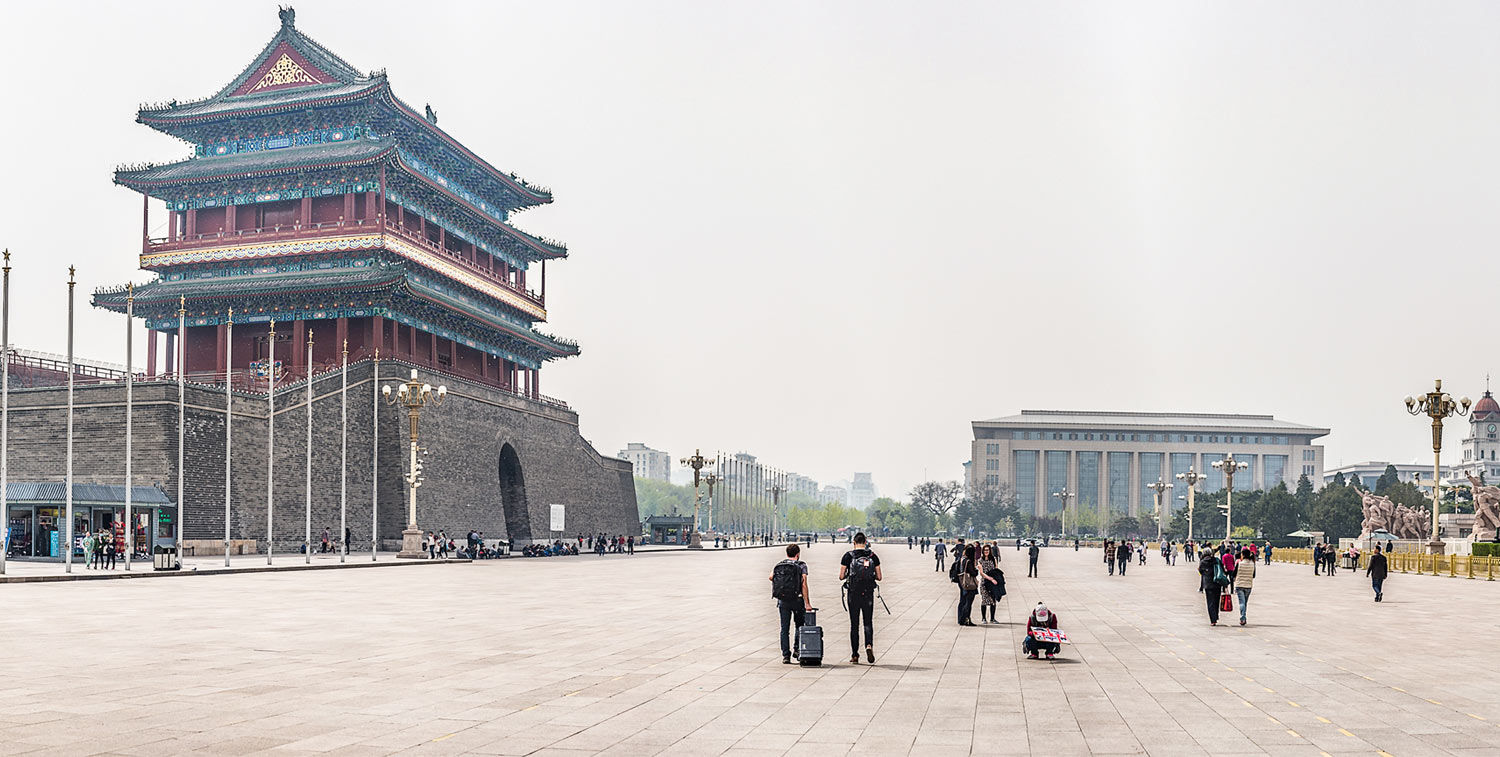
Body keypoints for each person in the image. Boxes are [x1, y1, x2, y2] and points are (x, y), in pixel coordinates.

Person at [839, 532, 882, 664]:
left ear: (854, 542)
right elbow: (879, 577)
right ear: (866, 542)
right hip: (868, 593)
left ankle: (855, 655)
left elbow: (841, 576)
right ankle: (868, 645)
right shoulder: (872, 556)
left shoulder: (848, 556)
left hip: (853, 593)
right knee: (868, 622)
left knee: (854, 624)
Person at [770, 544, 812, 664]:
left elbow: (770, 577)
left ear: (787, 553)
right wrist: (807, 603)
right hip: (797, 600)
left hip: (783, 601)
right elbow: (804, 584)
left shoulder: (780, 564)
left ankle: (785, 655)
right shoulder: (801, 565)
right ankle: (796, 649)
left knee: (784, 628)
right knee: (799, 625)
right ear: (797, 554)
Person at [1199, 548, 1225, 625]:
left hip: (1208, 584)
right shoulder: (1216, 560)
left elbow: (1201, 571)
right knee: (1216, 601)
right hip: (1217, 583)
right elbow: (1222, 569)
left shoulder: (1203, 562)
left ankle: (1212, 619)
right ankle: (1216, 616)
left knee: (1210, 602)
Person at [978, 543, 1002, 624]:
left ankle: (992, 618)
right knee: (984, 600)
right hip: (985, 582)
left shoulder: (993, 559)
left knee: (993, 600)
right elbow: (981, 573)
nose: (986, 551)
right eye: (984, 550)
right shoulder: (980, 560)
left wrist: (995, 579)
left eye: (987, 550)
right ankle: (983, 618)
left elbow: (996, 569)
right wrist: (990, 579)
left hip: (993, 583)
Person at [955, 543, 978, 626]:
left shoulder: (962, 559)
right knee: (968, 603)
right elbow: (973, 573)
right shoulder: (968, 561)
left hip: (962, 582)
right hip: (968, 584)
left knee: (962, 601)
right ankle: (966, 619)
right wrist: (976, 570)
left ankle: (960, 619)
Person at [1232, 547, 1256, 626]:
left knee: (1242, 603)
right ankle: (1243, 616)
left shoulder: (1239, 563)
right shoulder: (1253, 564)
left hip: (1239, 585)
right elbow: (1253, 575)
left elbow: (1234, 574)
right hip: (1248, 585)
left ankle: (1243, 618)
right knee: (1245, 602)